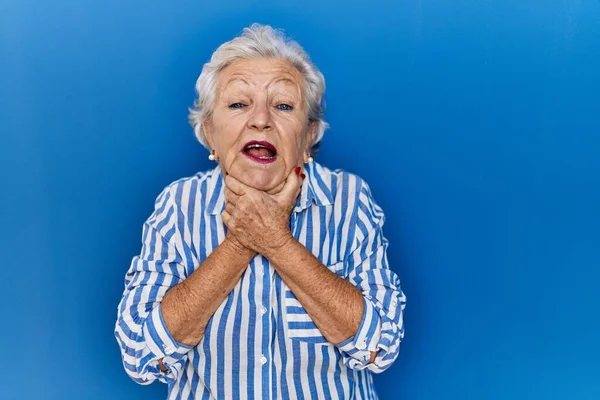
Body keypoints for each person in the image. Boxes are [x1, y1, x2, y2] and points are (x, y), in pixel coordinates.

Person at [114, 23, 406, 399]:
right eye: (238, 104)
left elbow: (380, 346)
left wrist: (277, 241)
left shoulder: (348, 200)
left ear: (309, 136)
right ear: (209, 133)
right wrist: (240, 242)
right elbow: (140, 353)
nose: (261, 119)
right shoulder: (178, 205)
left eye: (283, 105)